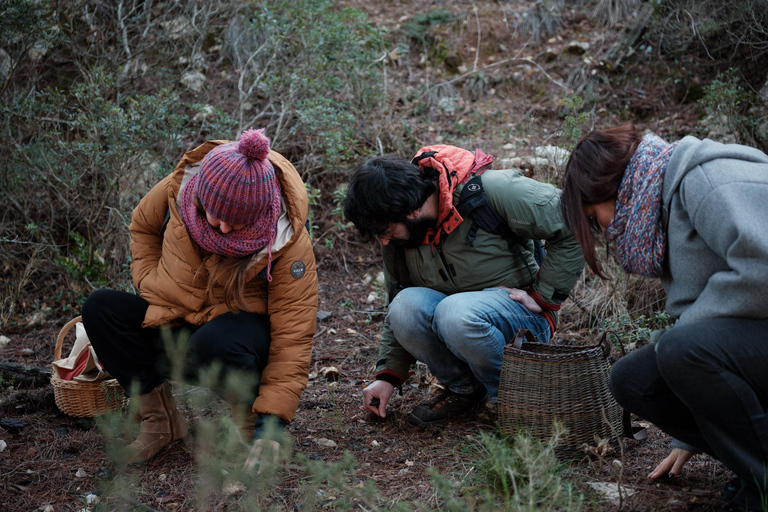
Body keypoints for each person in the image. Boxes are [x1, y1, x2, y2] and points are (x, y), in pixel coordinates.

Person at [559, 125, 768, 511]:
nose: (601, 230)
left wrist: (682, 343)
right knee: (633, 380)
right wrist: (691, 436)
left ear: (611, 188)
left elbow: (762, 269)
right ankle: (751, 464)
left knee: (675, 348)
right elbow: (708, 328)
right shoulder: (662, 204)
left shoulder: (704, 180)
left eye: (593, 217)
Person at [81, 129, 318, 465]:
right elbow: (142, 225)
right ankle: (160, 423)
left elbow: (294, 336)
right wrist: (151, 281)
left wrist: (271, 427)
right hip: (184, 321)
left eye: (235, 224)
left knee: (213, 342)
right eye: (213, 214)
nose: (221, 228)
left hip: (238, 344)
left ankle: (251, 426)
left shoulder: (286, 236)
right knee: (101, 309)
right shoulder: (181, 186)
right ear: (200, 195)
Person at [343, 145, 584, 426]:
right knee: (404, 307)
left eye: (385, 231)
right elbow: (397, 301)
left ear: (410, 209)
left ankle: (514, 399)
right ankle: (465, 390)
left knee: (454, 313)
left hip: (520, 319)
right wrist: (387, 376)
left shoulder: (493, 191)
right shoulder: (400, 236)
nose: (383, 241)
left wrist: (544, 297)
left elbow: (570, 221)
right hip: (458, 323)